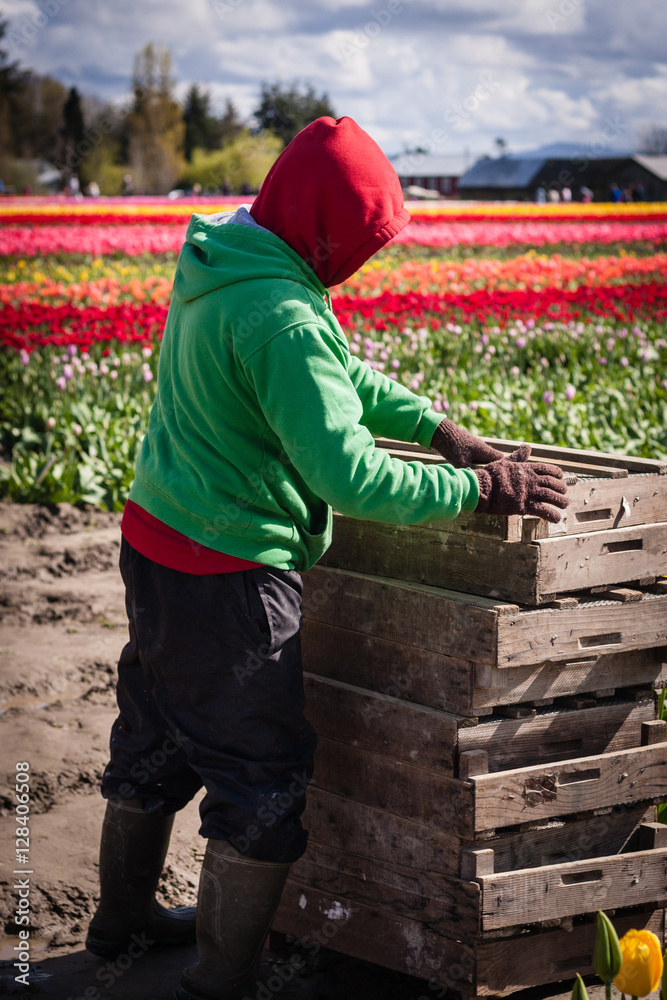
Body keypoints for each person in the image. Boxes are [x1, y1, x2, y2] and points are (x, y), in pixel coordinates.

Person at [86, 116, 569, 1000]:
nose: (360, 262)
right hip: (229, 571)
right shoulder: (281, 315)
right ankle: (222, 980)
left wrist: (437, 428)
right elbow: (349, 477)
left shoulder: (229, 257)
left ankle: (120, 926)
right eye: (358, 245)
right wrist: (477, 490)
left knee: (154, 734)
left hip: (156, 542)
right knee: (260, 774)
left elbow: (336, 373)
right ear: (322, 235)